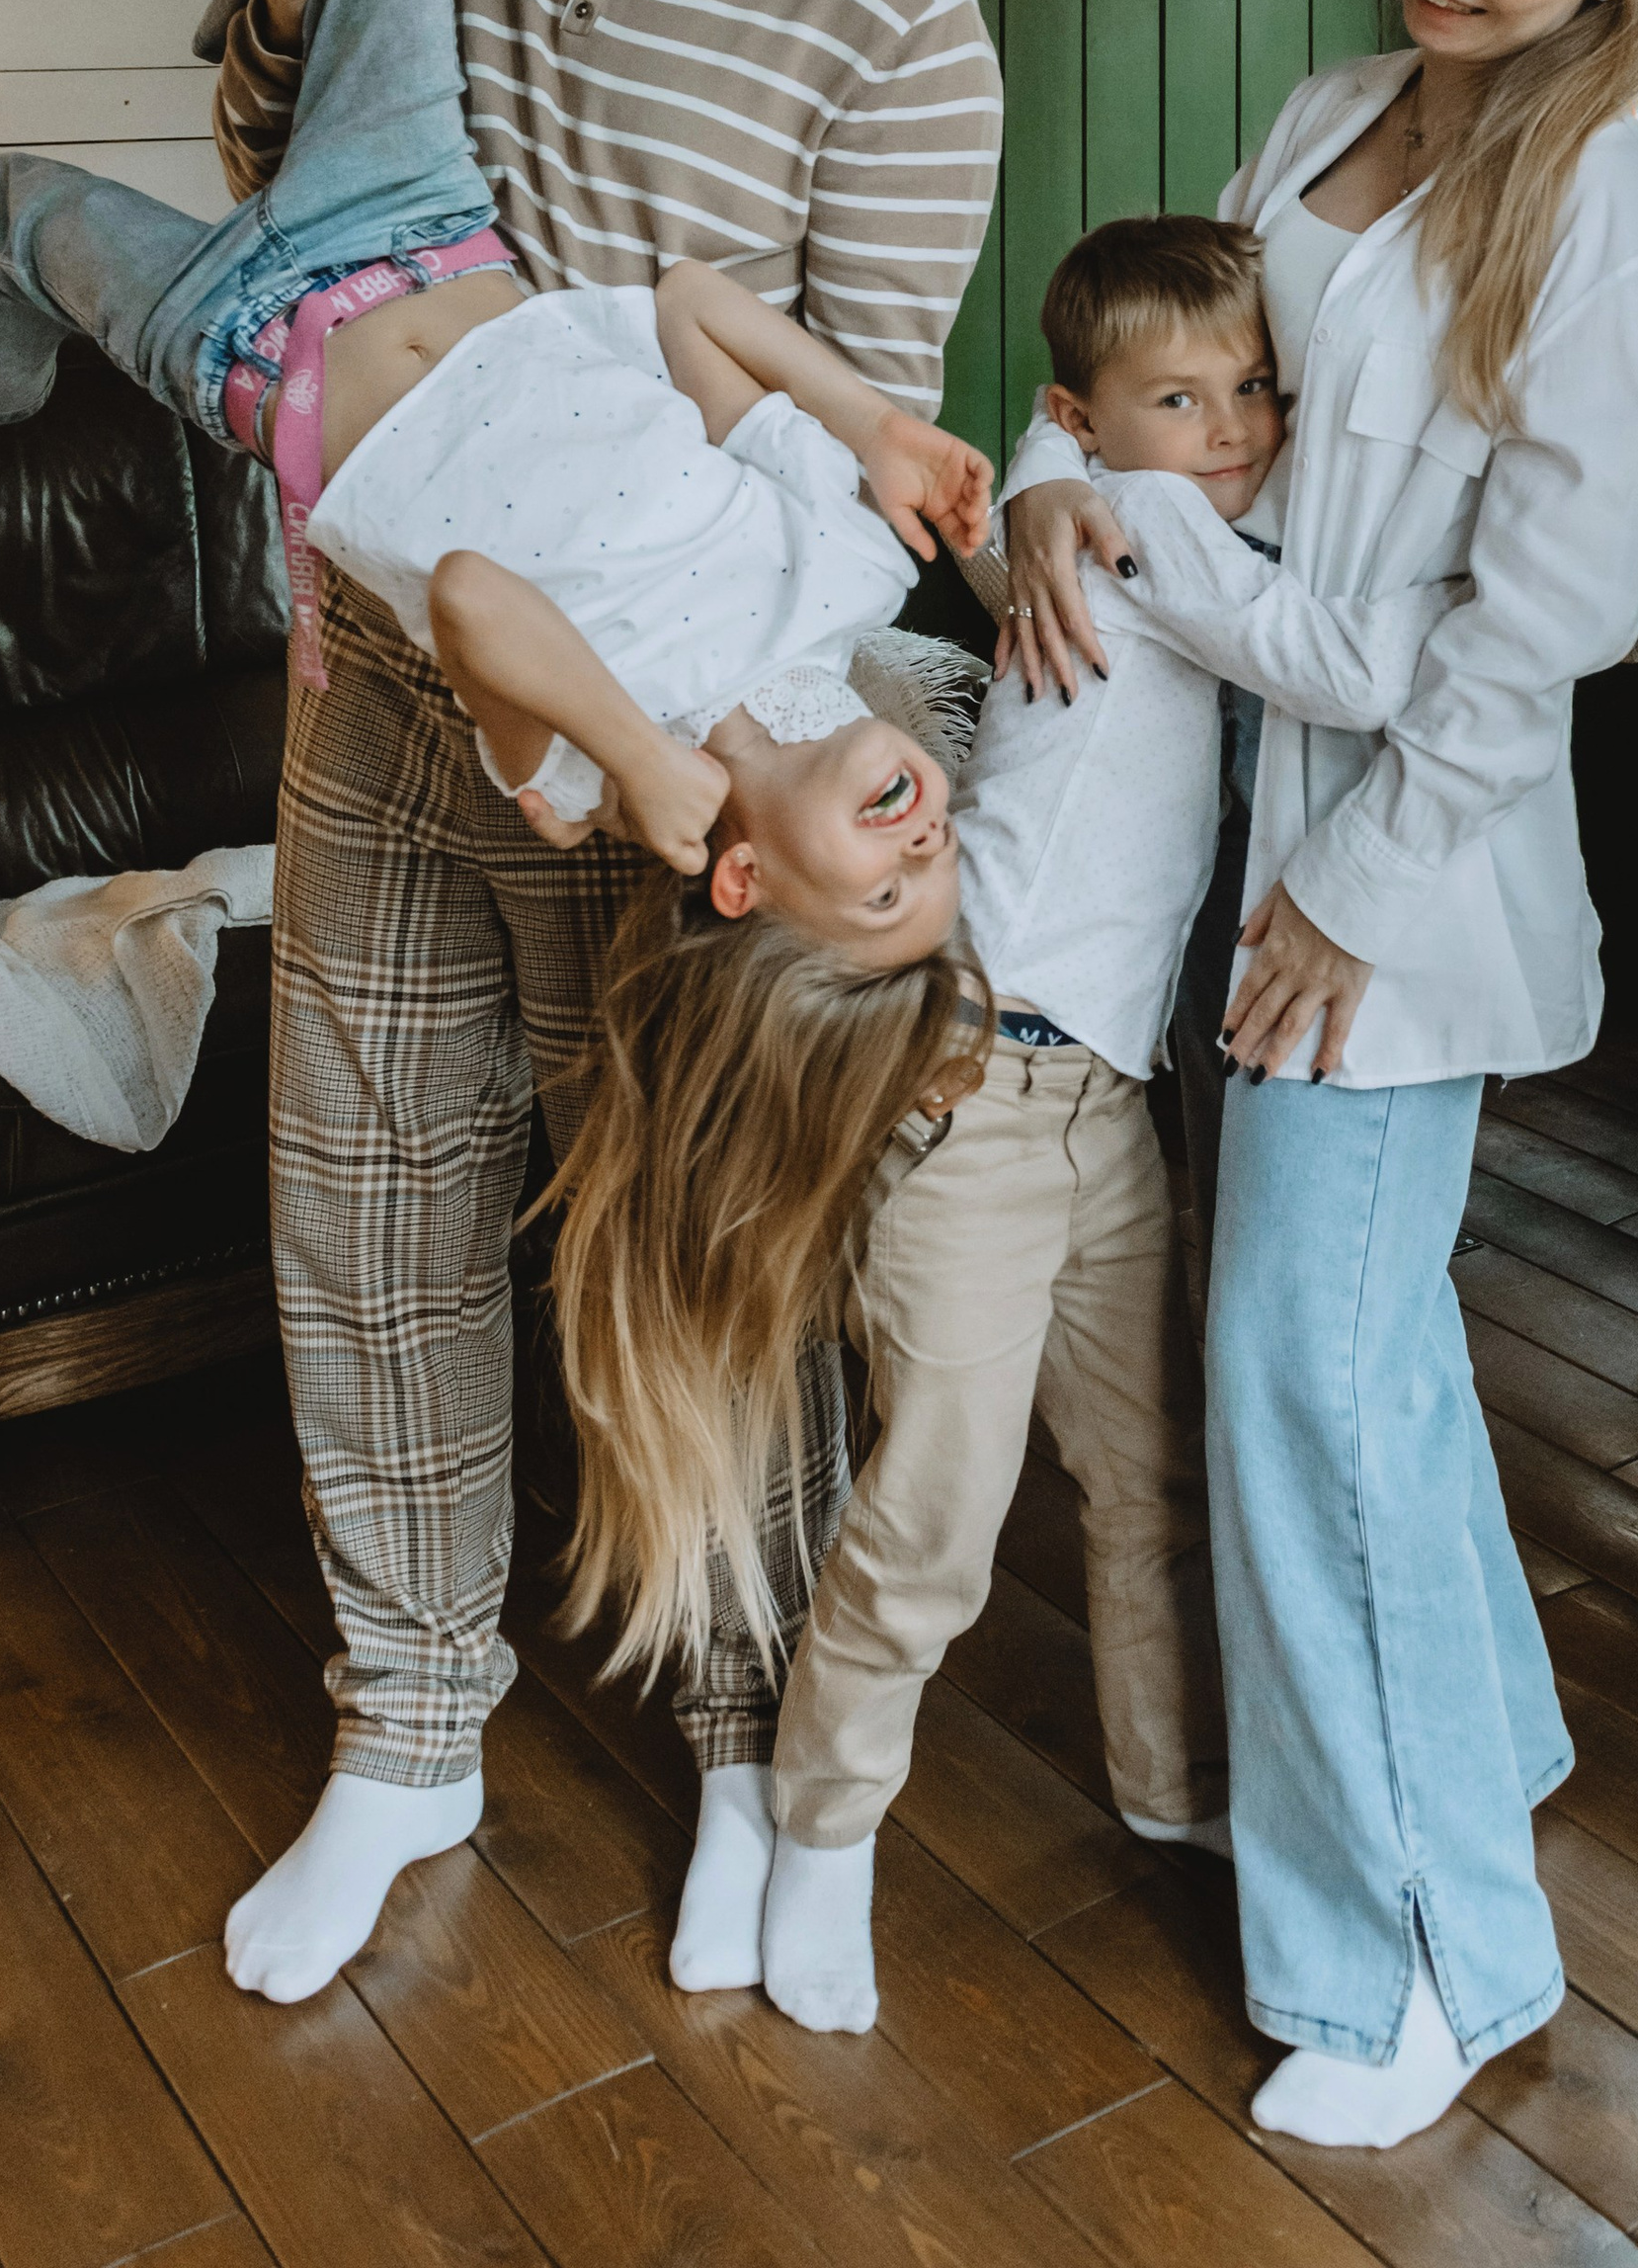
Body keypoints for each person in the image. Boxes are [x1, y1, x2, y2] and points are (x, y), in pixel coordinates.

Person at [198, 0, 996, 2003]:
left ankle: (751, 1738)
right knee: (371, 1201)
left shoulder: (897, 8)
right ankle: (408, 1730)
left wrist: (718, 791)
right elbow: (285, 202)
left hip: (657, 763)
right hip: (377, 690)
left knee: (682, 1246)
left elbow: (860, 420)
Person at [1001, 0, 1638, 2153]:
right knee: (1359, 1358)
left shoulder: (1600, 192)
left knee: (1291, 1368)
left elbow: (1544, 621)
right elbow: (1142, 393)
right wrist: (1036, 506)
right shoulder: (1311, 115)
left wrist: (1352, 892)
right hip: (1231, 821)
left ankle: (1421, 1952)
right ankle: (1472, 1738)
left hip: (1400, 876)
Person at [554, 206, 1461, 2038]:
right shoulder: (1150, 530)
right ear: (1085, 408)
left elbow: (1151, 481)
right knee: (940, 1511)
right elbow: (1335, 640)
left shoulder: (1142, 497)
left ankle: (1171, 1786)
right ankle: (822, 1834)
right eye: (1183, 397)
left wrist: (1062, 458)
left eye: (1258, 393)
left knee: (1152, 1477)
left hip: (1107, 1101)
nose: (1231, 427)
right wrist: (1074, 475)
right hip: (973, 1091)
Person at [0, 0, 986, 961]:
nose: (925, 843)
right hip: (424, 217)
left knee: (16, 206)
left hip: (259, 350)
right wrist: (872, 424)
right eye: (949, 860)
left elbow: (472, 592)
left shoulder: (575, 785)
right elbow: (690, 300)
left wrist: (639, 752)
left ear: (743, 879)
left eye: (888, 897)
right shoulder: (852, 565)